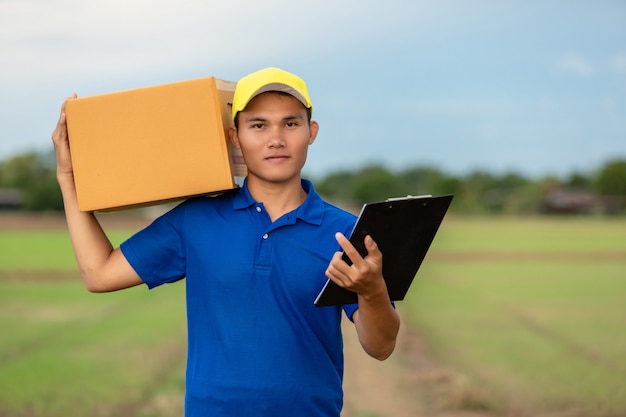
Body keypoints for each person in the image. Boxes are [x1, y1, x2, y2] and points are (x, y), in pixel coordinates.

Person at [51, 67, 400, 416]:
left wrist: (372, 292)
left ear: (312, 132)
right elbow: (99, 274)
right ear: (236, 137)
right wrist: (68, 177)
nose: (275, 139)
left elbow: (381, 346)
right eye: (258, 125)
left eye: (290, 124)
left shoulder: (348, 233)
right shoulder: (196, 220)